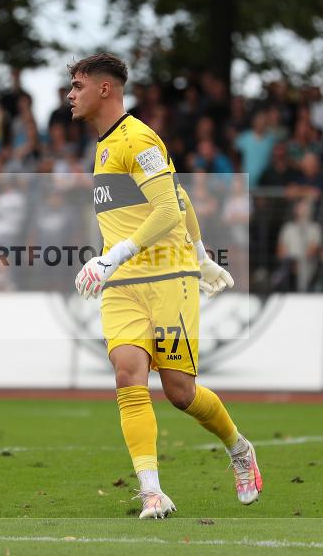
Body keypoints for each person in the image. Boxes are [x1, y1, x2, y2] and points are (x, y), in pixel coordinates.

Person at [66, 53, 260, 520]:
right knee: (127, 375)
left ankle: (239, 448)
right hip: (124, 286)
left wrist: (193, 257)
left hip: (168, 280)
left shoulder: (139, 138)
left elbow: (170, 208)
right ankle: (152, 492)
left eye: (78, 86)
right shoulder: (104, 144)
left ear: (104, 89)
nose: (71, 95)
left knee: (179, 392)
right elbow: (179, 195)